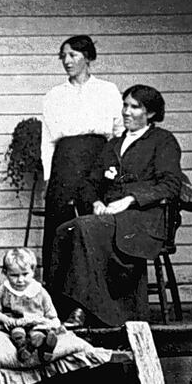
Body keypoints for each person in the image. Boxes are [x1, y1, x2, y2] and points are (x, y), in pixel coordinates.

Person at [53, 84, 184, 327]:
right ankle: (66, 308)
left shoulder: (162, 141)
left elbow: (170, 185)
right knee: (65, 230)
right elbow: (89, 183)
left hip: (146, 218)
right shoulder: (113, 145)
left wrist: (130, 199)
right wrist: (96, 202)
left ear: (151, 113)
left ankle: (84, 310)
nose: (126, 111)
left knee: (85, 228)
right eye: (125, 105)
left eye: (135, 107)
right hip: (112, 217)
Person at [39, 35, 124, 283]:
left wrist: (116, 168)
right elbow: (48, 140)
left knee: (97, 222)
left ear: (88, 58)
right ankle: (59, 292)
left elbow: (119, 132)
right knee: (61, 223)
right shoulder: (54, 95)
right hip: (65, 163)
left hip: (99, 158)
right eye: (63, 56)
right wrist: (49, 177)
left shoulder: (107, 90)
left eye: (73, 55)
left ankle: (98, 290)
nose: (67, 61)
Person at [0, 247, 63, 366]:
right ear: (5, 273)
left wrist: (51, 322)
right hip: (15, 323)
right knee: (17, 333)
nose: (20, 280)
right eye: (14, 275)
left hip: (35, 323)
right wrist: (5, 319)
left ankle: (46, 347)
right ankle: (24, 348)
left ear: (33, 271)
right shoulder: (3, 291)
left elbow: (50, 312)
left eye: (25, 274)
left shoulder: (39, 291)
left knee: (37, 333)